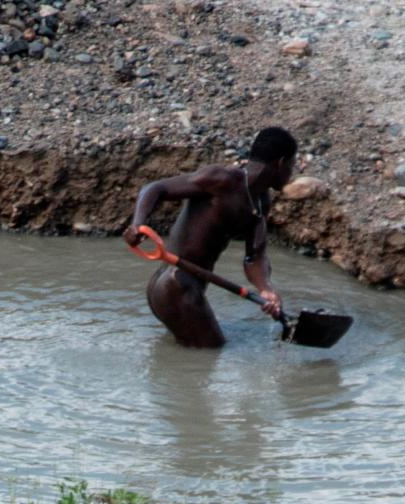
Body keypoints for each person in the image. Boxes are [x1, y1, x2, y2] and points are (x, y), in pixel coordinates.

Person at [123, 126, 297, 348]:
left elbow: (255, 256)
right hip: (177, 286)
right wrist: (138, 224)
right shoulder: (222, 180)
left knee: (184, 365)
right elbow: (155, 188)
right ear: (280, 163)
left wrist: (266, 290)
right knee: (211, 356)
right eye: (292, 165)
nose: (292, 173)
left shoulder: (260, 203)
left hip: (179, 289)